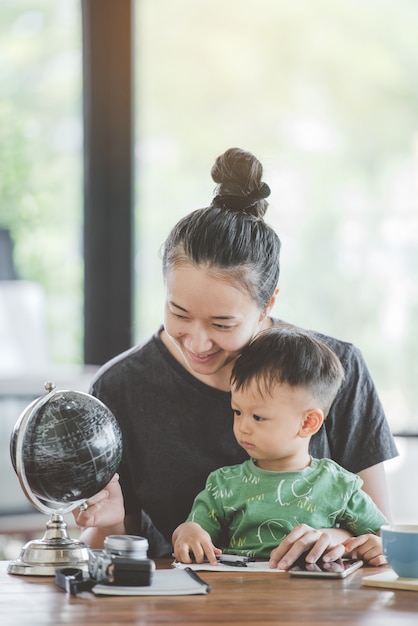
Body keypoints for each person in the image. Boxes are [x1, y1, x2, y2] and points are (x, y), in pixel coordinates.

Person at [75, 147, 397, 568]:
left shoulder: (336, 368)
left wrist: (334, 537)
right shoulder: (121, 386)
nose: (197, 342)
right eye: (179, 313)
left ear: (267, 306)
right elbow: (111, 553)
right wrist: (106, 523)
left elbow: (383, 534)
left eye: (222, 324)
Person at [172, 324, 387, 568]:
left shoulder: (340, 487)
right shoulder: (223, 485)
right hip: (239, 594)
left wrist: (375, 545)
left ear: (308, 422)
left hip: (318, 599)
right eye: (238, 412)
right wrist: (186, 532)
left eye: (258, 417)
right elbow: (193, 532)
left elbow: (385, 536)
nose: (243, 426)